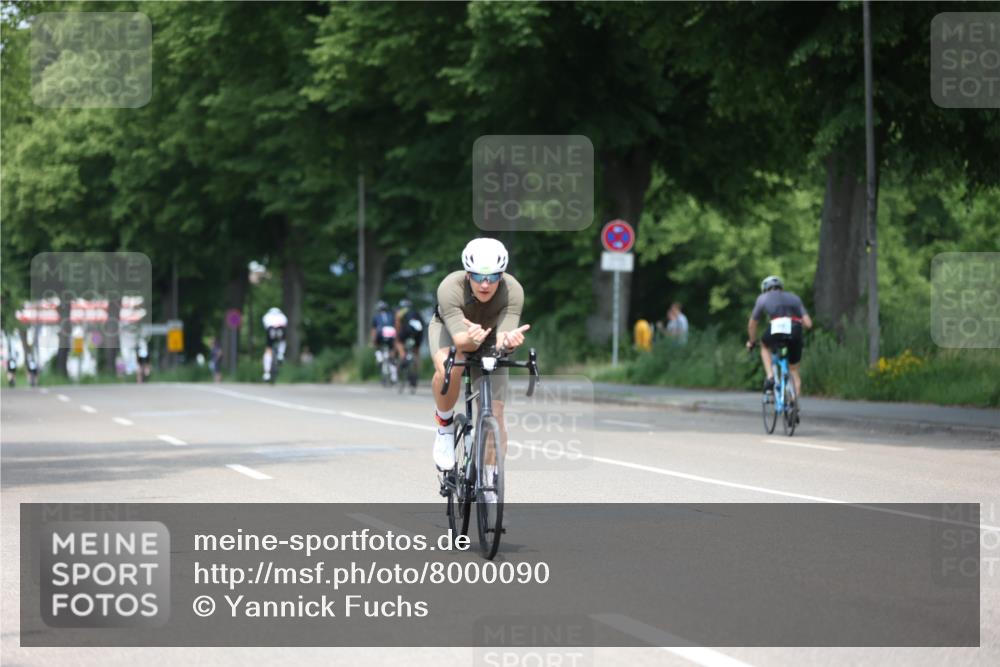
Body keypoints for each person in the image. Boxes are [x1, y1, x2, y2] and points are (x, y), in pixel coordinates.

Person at [429, 238, 530, 487]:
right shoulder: (449, 288)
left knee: (496, 412)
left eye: (493, 278)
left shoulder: (513, 291)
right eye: (478, 277)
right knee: (451, 365)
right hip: (453, 333)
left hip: (490, 336)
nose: (485, 284)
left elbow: (504, 336)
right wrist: (471, 340)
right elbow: (463, 342)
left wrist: (510, 342)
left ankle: (488, 479)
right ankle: (444, 426)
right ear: (467, 274)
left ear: (502, 275)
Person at [745, 275, 813, 401]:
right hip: (795, 328)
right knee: (793, 369)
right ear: (781, 287)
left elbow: (752, 324)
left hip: (777, 326)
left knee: (764, 346)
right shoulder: (794, 298)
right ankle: (793, 405)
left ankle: (770, 377)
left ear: (765, 289)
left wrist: (752, 341)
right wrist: (796, 324)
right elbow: (808, 324)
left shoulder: (763, 298)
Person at [371, 300, 398, 383]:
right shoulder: (391, 315)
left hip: (381, 333)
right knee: (392, 351)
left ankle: (379, 356)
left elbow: (374, 330)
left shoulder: (376, 317)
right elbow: (396, 326)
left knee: (376, 345)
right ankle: (394, 376)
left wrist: (373, 341)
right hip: (391, 332)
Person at [394, 298, 425, 368]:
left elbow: (397, 324)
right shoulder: (416, 312)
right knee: (417, 350)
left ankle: (403, 356)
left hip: (408, 330)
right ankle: (417, 367)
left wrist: (397, 335)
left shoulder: (401, 312)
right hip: (418, 332)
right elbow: (422, 323)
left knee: (398, 342)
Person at [262, 306, 288, 381]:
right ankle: (280, 354)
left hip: (270, 331)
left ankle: (266, 373)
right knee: (282, 341)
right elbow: (285, 324)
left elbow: (265, 326)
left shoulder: (267, 316)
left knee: (268, 350)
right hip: (280, 330)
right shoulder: (282, 316)